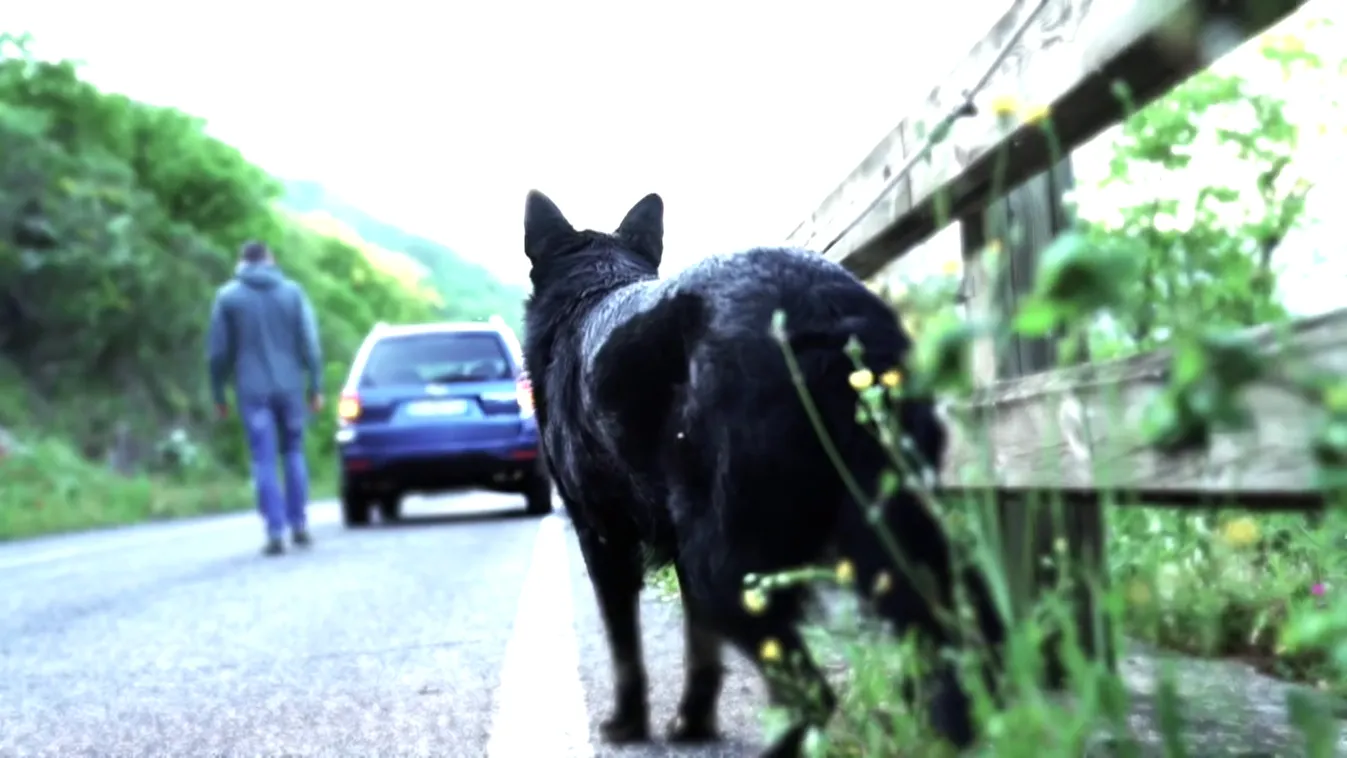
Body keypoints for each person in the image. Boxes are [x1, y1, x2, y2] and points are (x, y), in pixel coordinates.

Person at [207, 241, 324, 556]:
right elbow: (309, 343)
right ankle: (299, 525)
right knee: (294, 452)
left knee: (263, 459)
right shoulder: (293, 292)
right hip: (290, 387)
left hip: (252, 389)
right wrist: (316, 386)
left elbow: (218, 354)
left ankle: (274, 531)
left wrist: (218, 393)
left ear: (241, 262)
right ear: (270, 259)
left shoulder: (228, 297)